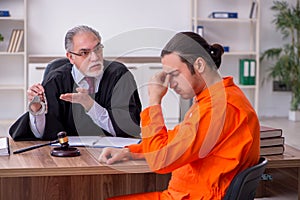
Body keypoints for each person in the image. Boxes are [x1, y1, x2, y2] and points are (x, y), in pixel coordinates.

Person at [99, 32, 260, 199]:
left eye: (174, 74)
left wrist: (154, 101)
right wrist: (129, 152)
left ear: (199, 65)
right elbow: (174, 143)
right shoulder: (217, 99)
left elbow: (160, 160)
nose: (170, 83)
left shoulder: (218, 109)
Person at [9, 25, 141, 141]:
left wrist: (90, 104)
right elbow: (42, 134)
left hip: (112, 155)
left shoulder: (119, 75)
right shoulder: (56, 80)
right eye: (84, 53)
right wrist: (37, 110)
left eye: (98, 49)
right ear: (70, 57)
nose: (95, 58)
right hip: (66, 159)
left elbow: (127, 129)